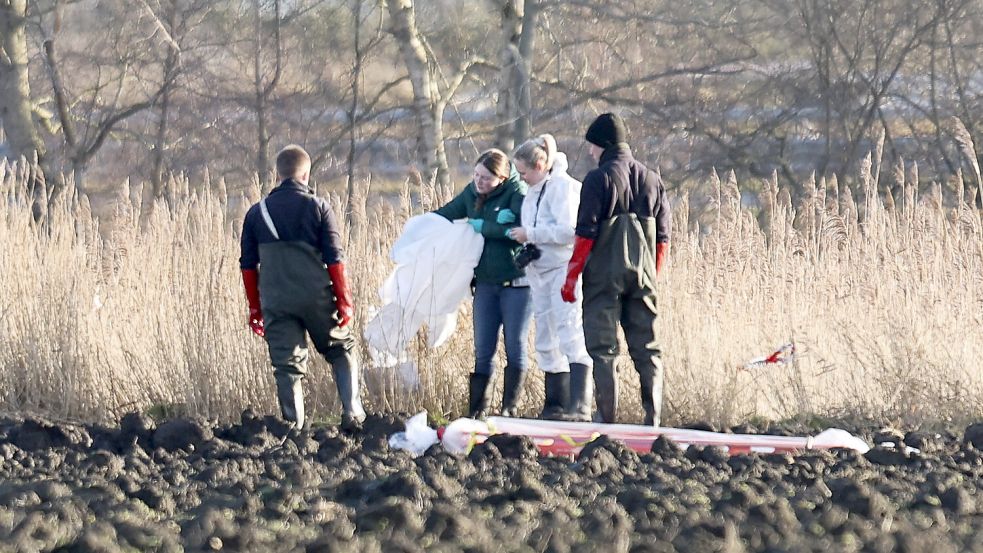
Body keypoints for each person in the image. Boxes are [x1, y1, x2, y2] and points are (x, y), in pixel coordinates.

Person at [239, 145, 366, 431]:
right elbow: (335, 260)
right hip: (316, 297)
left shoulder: (256, 213)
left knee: (286, 366)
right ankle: (353, 414)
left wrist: (255, 308)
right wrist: (344, 302)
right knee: (341, 348)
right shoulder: (319, 207)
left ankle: (293, 428)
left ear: (278, 174)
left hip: (276, 301)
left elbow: (248, 266)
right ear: (306, 174)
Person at [561, 113, 670, 426]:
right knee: (647, 347)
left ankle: (606, 418)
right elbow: (662, 239)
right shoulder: (652, 179)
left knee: (603, 348)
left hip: (604, 278)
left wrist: (571, 278)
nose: (591, 153)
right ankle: (653, 418)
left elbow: (585, 235)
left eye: (593, 146)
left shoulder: (598, 179)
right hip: (644, 275)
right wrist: (651, 275)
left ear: (603, 145)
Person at [435, 149, 531, 418]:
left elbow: (520, 234)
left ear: (501, 177)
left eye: (486, 178)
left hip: (517, 284)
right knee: (483, 349)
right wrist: (422, 227)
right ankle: (478, 411)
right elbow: (446, 214)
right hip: (486, 285)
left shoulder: (518, 194)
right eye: (476, 175)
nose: (479, 182)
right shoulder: (472, 193)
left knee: (515, 345)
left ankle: (509, 409)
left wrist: (484, 226)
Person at [508, 134, 594, 421]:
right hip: (539, 271)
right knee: (545, 336)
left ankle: (580, 404)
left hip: (561, 269)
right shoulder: (533, 191)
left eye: (524, 172)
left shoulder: (563, 188)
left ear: (541, 164)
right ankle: (555, 403)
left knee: (569, 330)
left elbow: (569, 231)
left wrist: (531, 234)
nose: (521, 178)